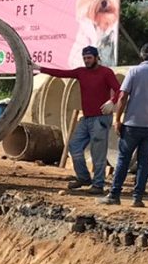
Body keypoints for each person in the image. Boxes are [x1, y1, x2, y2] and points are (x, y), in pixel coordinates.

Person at [37, 46, 122, 194]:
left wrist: (112, 101)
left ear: (96, 57)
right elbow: (62, 73)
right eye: (84, 58)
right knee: (74, 145)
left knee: (98, 153)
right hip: (87, 118)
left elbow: (120, 90)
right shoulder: (81, 72)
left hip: (100, 118)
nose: (86, 61)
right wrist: (40, 68)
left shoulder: (106, 73)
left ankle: (98, 184)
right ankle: (83, 177)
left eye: (89, 58)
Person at [104, 42, 148, 208]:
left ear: (142, 55)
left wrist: (117, 118)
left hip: (133, 124)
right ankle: (137, 198)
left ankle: (115, 194)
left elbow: (122, 97)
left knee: (123, 159)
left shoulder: (134, 71)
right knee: (144, 162)